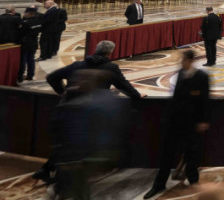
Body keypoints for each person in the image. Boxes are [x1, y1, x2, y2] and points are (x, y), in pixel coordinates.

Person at [37, 40, 144, 185]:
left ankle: (47, 170)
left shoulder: (78, 65)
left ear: (96, 49)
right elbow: (125, 86)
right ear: (109, 53)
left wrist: (62, 92)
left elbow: (51, 77)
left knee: (67, 143)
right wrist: (137, 97)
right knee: (85, 144)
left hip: (68, 107)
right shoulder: (110, 68)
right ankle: (64, 180)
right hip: (92, 112)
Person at [144, 50, 210, 198]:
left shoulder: (201, 77)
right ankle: (159, 185)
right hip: (174, 122)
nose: (181, 62)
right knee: (167, 155)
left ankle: (194, 183)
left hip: (192, 123)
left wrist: (203, 121)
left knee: (192, 155)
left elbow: (205, 101)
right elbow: (175, 99)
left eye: (184, 60)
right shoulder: (180, 73)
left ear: (190, 61)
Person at [18, 6, 43, 82]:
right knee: (31, 60)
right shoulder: (38, 21)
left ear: (29, 13)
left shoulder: (26, 23)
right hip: (34, 42)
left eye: (26, 12)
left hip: (25, 43)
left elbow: (21, 33)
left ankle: (20, 76)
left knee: (23, 61)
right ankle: (30, 75)